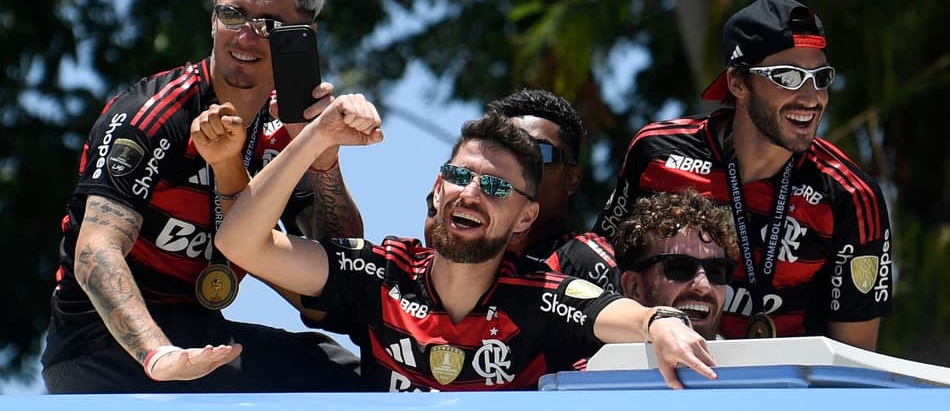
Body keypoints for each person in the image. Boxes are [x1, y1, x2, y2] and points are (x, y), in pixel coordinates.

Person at [213, 101, 719, 391]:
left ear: (525, 217)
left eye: (496, 186)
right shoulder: (379, 272)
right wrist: (317, 137)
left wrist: (662, 324)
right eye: (459, 175)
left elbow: (630, 317)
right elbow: (240, 241)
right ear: (438, 188)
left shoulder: (541, 295)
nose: (470, 192)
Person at [41, 0, 363, 393]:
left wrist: (323, 154)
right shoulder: (153, 114)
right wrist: (158, 353)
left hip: (201, 337)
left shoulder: (290, 131)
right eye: (234, 15)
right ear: (214, 18)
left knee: (351, 377)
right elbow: (96, 251)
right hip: (103, 350)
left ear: (301, 35)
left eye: (268, 26)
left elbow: (341, 291)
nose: (246, 38)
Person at [592, 0, 893, 349]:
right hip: (661, 380)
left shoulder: (851, 195)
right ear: (737, 82)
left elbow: (852, 360)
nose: (812, 97)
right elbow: (601, 272)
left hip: (783, 393)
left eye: (820, 77)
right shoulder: (656, 153)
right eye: (789, 77)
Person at [611, 189, 738, 340]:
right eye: (680, 268)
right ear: (634, 287)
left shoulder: (754, 362)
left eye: (716, 271)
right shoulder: (595, 363)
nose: (703, 285)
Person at [483, 88, 584, 259]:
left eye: (538, 151)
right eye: (507, 150)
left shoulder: (586, 264)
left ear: (573, 178)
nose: (519, 164)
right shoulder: (469, 261)